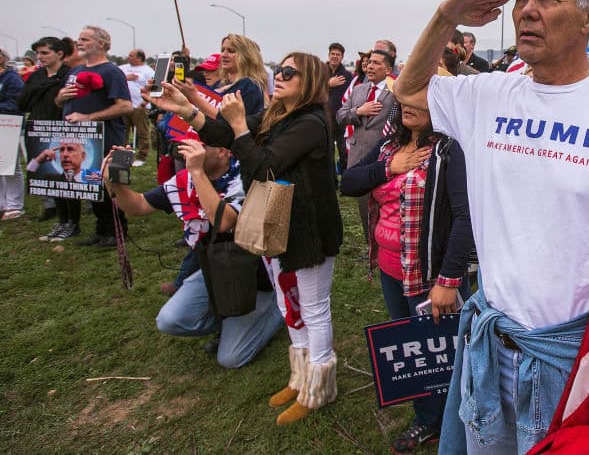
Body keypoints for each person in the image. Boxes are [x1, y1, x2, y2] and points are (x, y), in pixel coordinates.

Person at [393, 0, 589, 453]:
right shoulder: (488, 94)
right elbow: (408, 90)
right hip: (492, 343)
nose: (526, 10)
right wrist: (447, 16)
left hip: (577, 360)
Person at [150, 52, 343, 425]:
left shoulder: (312, 122)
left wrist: (240, 127)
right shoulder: (278, 115)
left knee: (313, 307)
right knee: (289, 304)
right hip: (276, 221)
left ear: (312, 82)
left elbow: (263, 164)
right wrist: (188, 108)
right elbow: (223, 134)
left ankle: (320, 386)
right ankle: (300, 375)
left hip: (310, 229)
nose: (281, 76)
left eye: (291, 72)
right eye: (280, 70)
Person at [340, 99, 474, 452]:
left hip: (428, 275)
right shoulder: (389, 147)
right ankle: (428, 419)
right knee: (415, 353)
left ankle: (462, 425)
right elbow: (349, 182)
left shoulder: (449, 150)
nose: (408, 107)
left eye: (420, 100)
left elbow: (464, 216)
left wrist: (448, 279)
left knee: (445, 353)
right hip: (390, 269)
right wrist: (389, 167)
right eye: (404, 101)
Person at [101, 137, 282, 367]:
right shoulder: (184, 180)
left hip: (258, 276)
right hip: (217, 271)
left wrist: (197, 173)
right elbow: (137, 206)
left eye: (200, 146)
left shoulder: (245, 175)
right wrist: (116, 183)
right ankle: (229, 321)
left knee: (231, 358)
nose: (189, 150)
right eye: (187, 144)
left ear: (223, 151)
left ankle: (279, 309)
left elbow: (224, 221)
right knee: (169, 320)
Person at [55, 26, 132, 247]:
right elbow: (60, 103)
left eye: (85, 39)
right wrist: (60, 97)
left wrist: (89, 116)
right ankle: (101, 229)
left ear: (101, 43)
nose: (78, 43)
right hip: (80, 140)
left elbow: (125, 106)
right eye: (78, 39)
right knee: (91, 185)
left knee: (112, 186)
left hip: (108, 139)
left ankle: (118, 231)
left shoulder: (111, 71)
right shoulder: (74, 72)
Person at [336, 49, 396, 243]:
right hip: (358, 156)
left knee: (384, 205)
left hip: (384, 158)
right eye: (369, 62)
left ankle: (384, 244)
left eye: (376, 63)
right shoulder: (359, 89)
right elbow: (340, 116)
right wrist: (359, 111)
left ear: (388, 69)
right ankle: (370, 244)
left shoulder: (395, 90)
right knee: (363, 206)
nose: (370, 66)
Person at [18, 36, 72, 233]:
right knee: (47, 174)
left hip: (61, 127)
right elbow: (22, 102)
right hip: (37, 127)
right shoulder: (36, 76)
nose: (40, 57)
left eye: (45, 53)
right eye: (38, 53)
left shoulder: (69, 74)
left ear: (59, 53)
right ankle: (56, 212)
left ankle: (71, 220)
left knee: (66, 176)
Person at [176, 34, 267, 121]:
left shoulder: (250, 85)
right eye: (222, 50)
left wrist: (194, 96)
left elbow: (226, 123)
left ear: (246, 56)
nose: (224, 54)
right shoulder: (220, 84)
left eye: (231, 51)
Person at [0, 48, 25, 220]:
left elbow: (17, 103)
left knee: (9, 167)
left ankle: (14, 205)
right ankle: (2, 204)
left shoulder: (12, 78)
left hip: (7, 125)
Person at [119, 48, 155, 165]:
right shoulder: (122, 68)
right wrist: (126, 78)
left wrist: (145, 102)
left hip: (140, 106)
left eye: (131, 56)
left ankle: (141, 157)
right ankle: (122, 155)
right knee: (122, 132)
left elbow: (153, 87)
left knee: (142, 132)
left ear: (139, 58)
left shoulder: (148, 71)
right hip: (124, 105)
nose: (128, 57)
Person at [325, 42, 352, 174]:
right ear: (329, 55)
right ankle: (331, 179)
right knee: (327, 151)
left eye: (338, 54)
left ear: (342, 57)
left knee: (343, 151)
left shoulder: (347, 75)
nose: (335, 56)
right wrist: (328, 83)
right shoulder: (321, 72)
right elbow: (312, 88)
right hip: (324, 118)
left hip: (341, 119)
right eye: (333, 54)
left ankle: (344, 179)